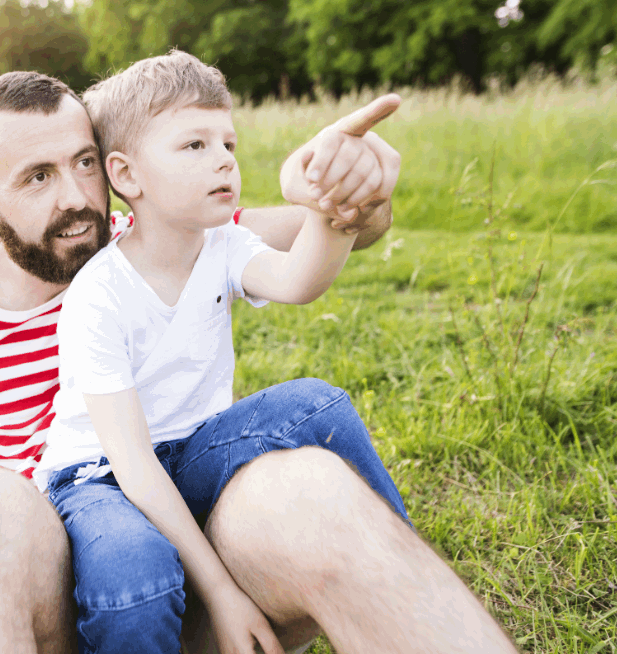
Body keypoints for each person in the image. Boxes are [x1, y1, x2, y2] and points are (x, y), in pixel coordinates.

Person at [0, 69, 517, 653]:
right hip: (58, 552)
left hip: (192, 518)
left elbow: (311, 235)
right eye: (36, 177)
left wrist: (343, 187)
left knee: (311, 449)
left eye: (84, 164)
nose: (79, 199)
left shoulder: (173, 229)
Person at [32, 50, 413, 654]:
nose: (224, 161)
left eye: (228, 144)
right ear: (127, 175)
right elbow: (131, 462)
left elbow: (298, 281)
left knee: (316, 405)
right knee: (139, 573)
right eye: (194, 146)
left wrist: (333, 210)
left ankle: (400, 580)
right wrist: (222, 591)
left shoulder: (225, 245)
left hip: (193, 454)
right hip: (100, 479)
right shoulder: (98, 295)